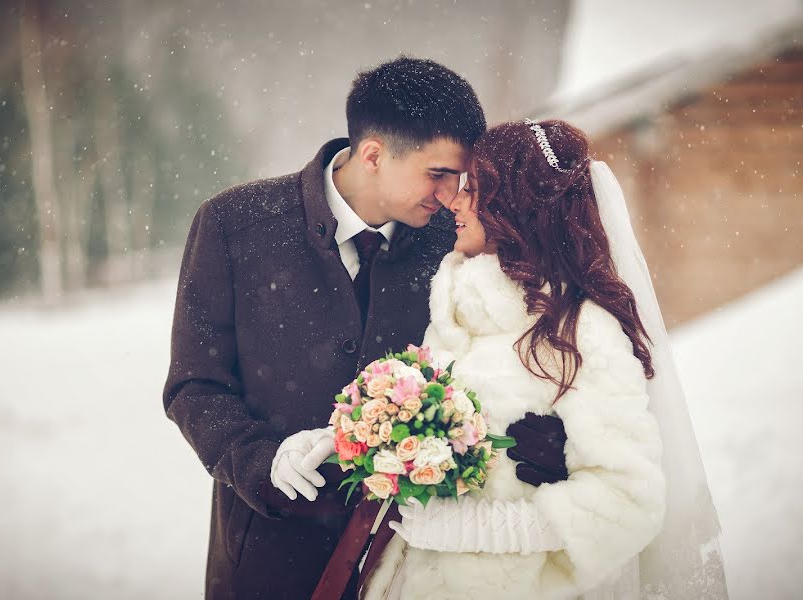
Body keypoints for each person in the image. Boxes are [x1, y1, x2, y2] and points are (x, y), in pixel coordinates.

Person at [163, 58, 571, 600]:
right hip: (265, 554)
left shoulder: (454, 243)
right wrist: (263, 464)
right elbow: (195, 385)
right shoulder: (233, 225)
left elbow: (494, 356)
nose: (451, 195)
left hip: (411, 561)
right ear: (374, 154)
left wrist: (542, 440)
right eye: (438, 174)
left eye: (459, 178)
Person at [359, 119, 728, 599]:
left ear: (512, 204)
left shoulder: (579, 334)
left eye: (472, 188)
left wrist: (477, 533)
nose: (453, 201)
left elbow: (627, 502)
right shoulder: (452, 319)